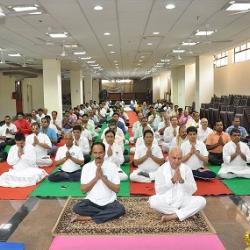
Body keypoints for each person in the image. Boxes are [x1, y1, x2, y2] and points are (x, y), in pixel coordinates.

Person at [72, 142, 125, 224]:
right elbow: (83, 190)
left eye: (100, 153)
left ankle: (88, 217)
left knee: (120, 209)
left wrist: (103, 178)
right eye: (95, 153)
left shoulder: (112, 166)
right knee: (77, 208)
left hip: (109, 202)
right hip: (91, 202)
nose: (98, 155)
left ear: (104, 153)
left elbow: (117, 189)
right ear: (92, 154)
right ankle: (105, 215)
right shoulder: (87, 167)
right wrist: (96, 178)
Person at [149, 147, 206, 222]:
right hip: (167, 200)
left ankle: (172, 216)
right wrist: (172, 181)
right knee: (153, 201)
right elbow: (159, 190)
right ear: (168, 157)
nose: (177, 161)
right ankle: (184, 213)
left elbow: (193, 189)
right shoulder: (161, 169)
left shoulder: (187, 169)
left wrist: (182, 181)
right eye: (174, 158)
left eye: (179, 158)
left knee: (202, 201)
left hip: (183, 199)